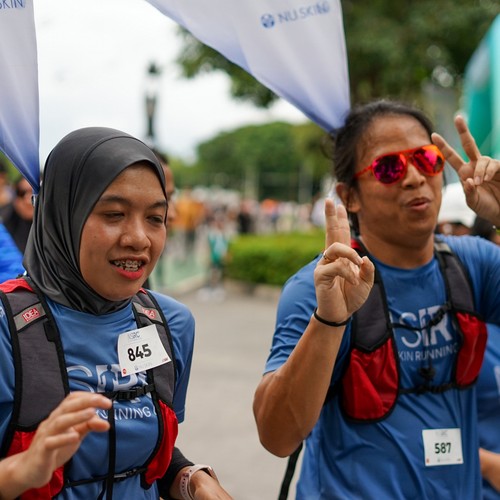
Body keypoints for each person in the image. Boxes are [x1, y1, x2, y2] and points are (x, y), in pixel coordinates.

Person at [253, 99, 500, 499]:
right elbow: (277, 436)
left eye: (426, 159)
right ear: (349, 196)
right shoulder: (320, 287)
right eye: (389, 168)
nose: (415, 177)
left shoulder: (475, 264)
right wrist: (329, 320)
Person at [0, 127, 231, 499]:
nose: (138, 238)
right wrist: (21, 470)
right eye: (114, 214)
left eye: (155, 218)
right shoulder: (7, 327)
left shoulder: (169, 322)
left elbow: (147, 458)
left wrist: (193, 480)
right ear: (63, 215)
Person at [0, 176, 34, 253]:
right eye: (21, 193)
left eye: (34, 193)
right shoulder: (4, 228)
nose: (28, 200)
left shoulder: (56, 229)